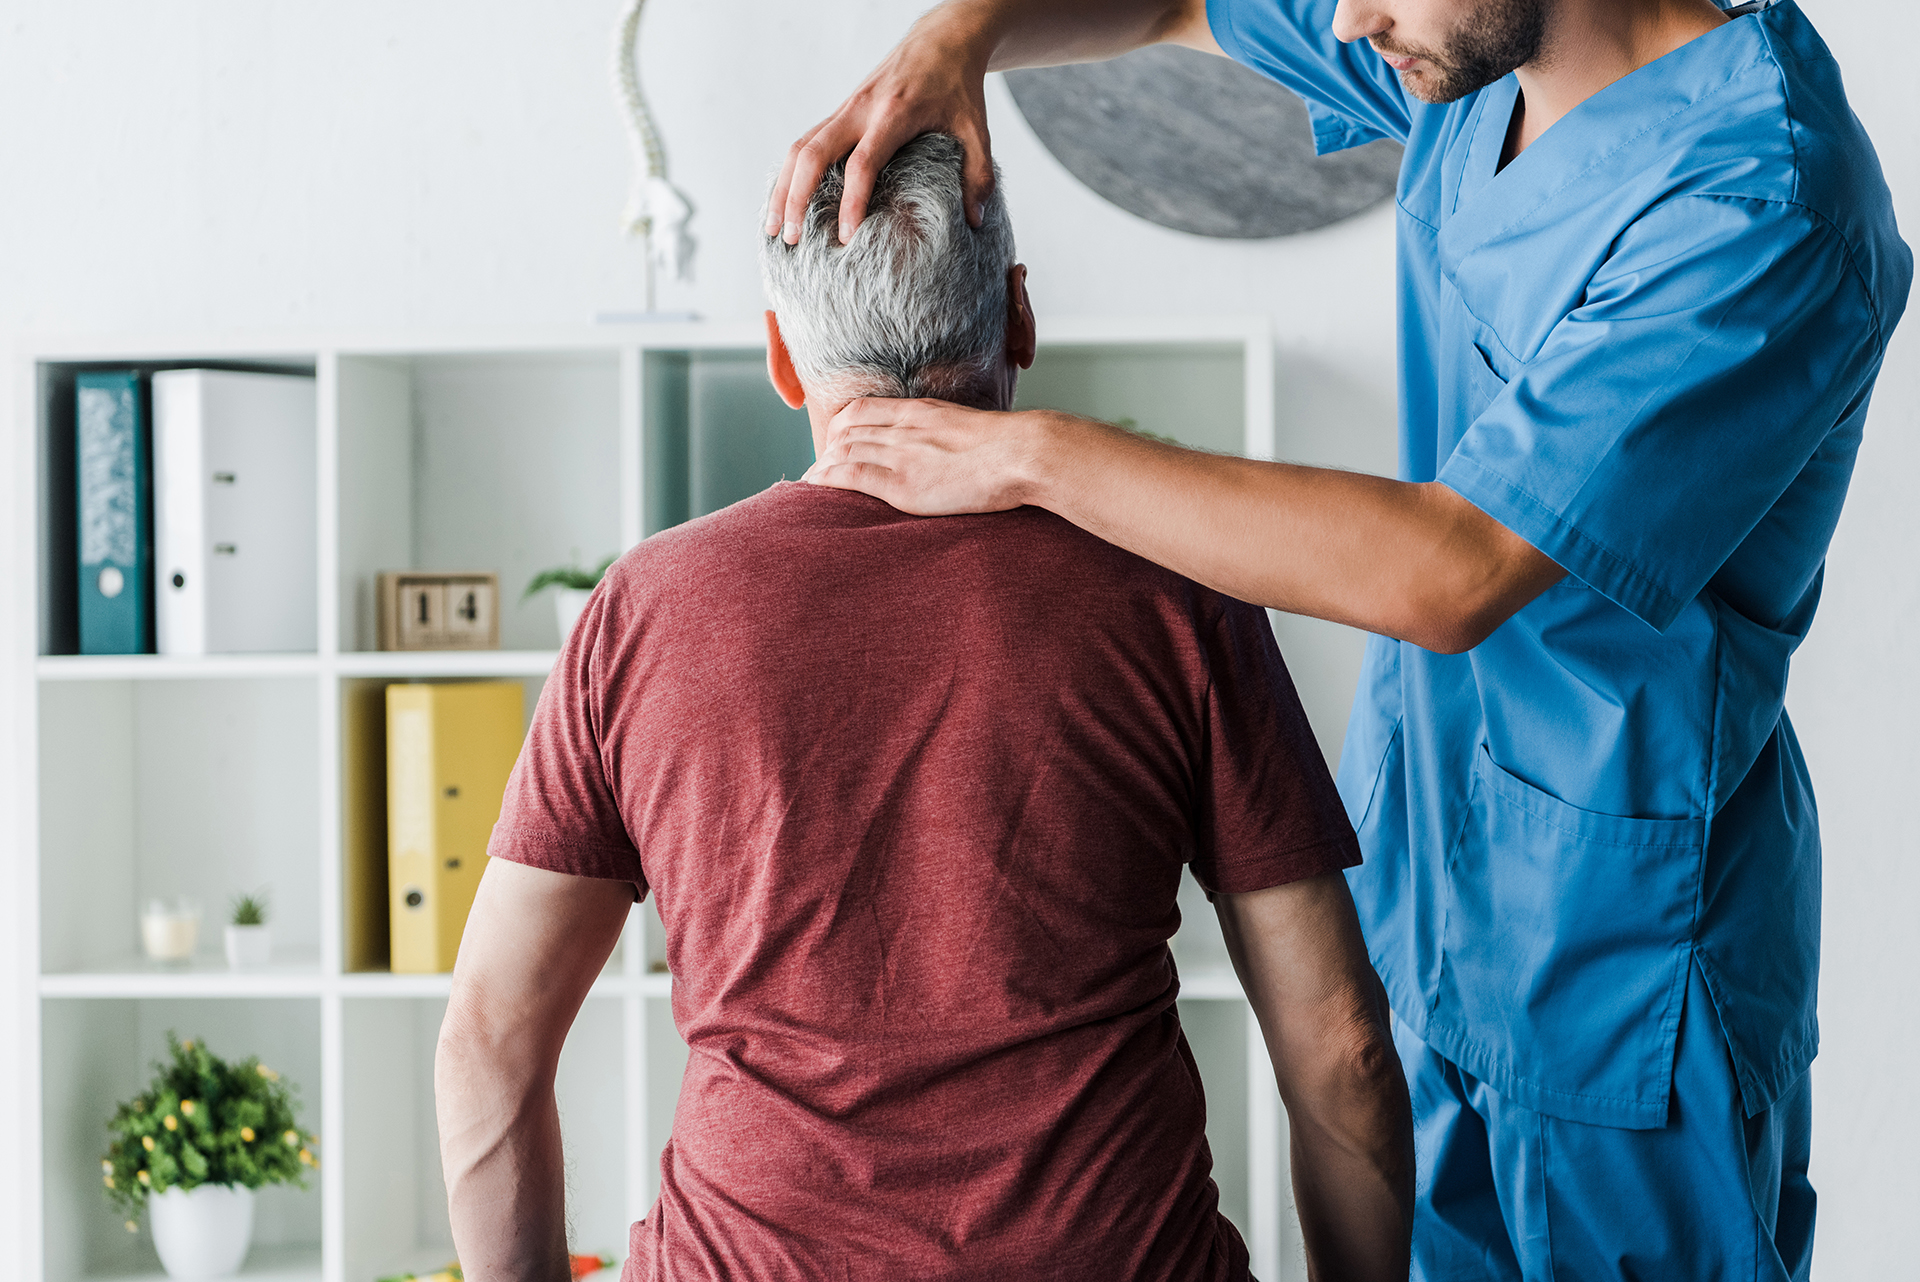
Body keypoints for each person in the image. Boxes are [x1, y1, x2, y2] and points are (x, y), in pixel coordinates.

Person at [778, 0, 1912, 1278]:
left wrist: (1029, 452)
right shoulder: (1484, 53)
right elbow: (1176, 2)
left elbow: (1457, 567)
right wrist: (960, 35)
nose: (1350, 14)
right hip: (1433, 894)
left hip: (1627, 971)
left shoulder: (1766, 199)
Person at [434, 133, 1414, 1282]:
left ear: (784, 362)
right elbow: (1340, 1045)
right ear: (1018, 320)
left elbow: (491, 1040)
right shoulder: (1174, 587)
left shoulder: (643, 611)